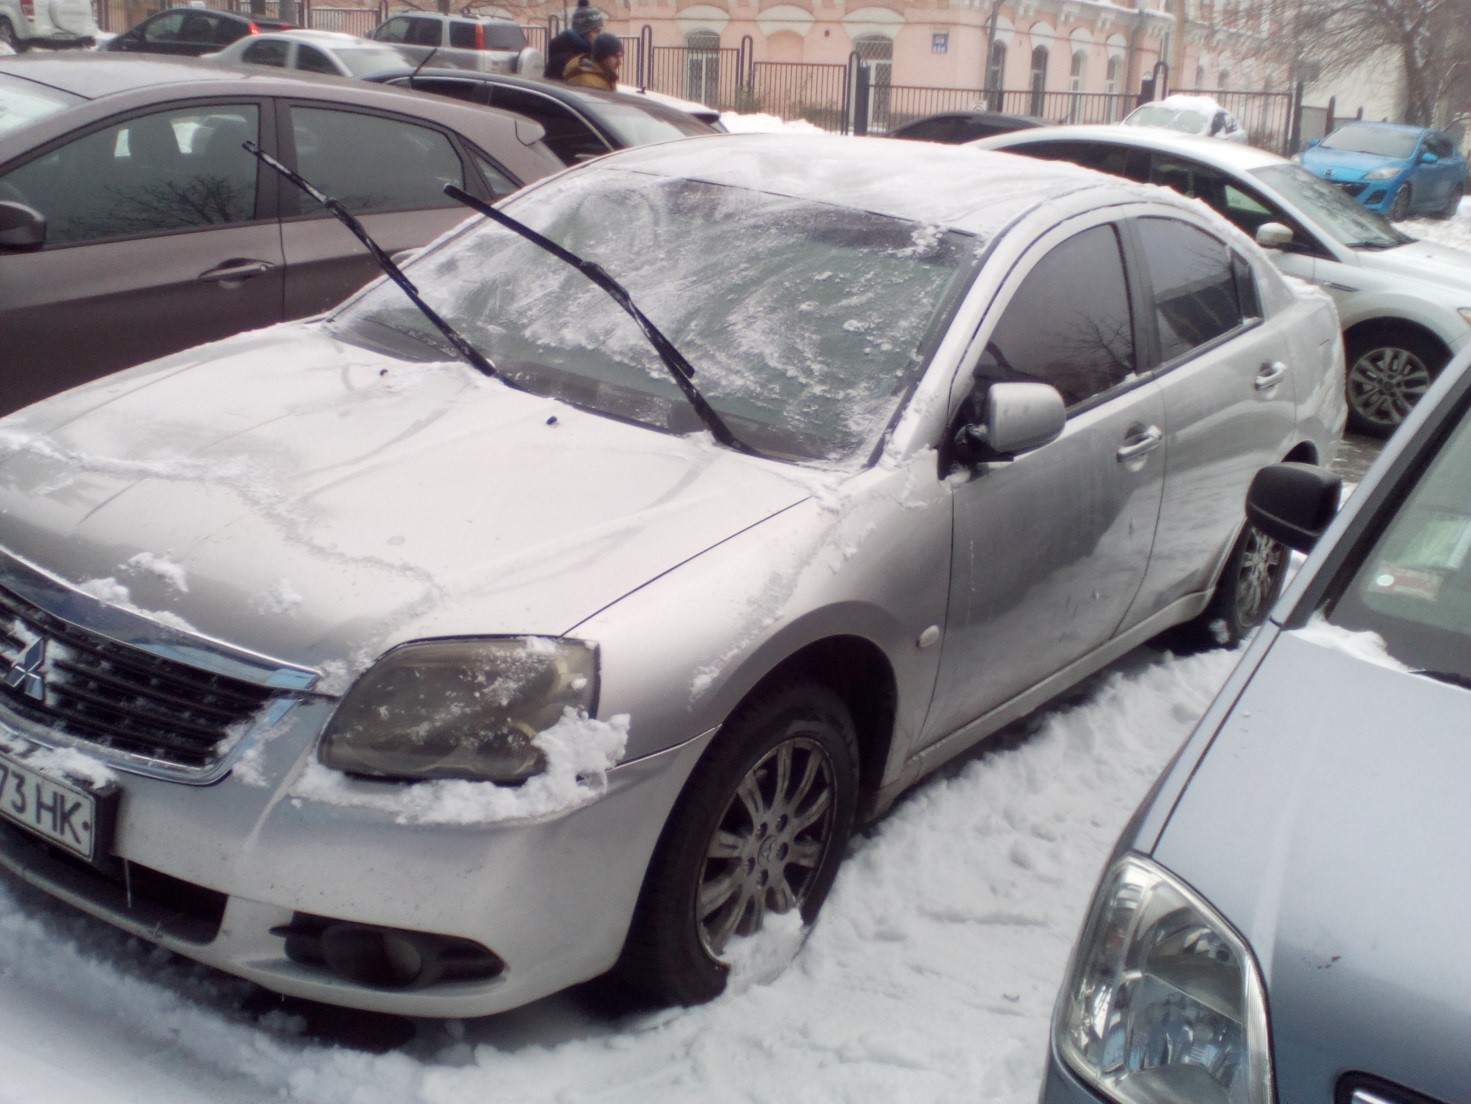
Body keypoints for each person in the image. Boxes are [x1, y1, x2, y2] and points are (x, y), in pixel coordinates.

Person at [543, 0, 603, 82]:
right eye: (596, 31)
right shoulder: (564, 55)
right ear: (585, 31)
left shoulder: (589, 49)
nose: (599, 36)